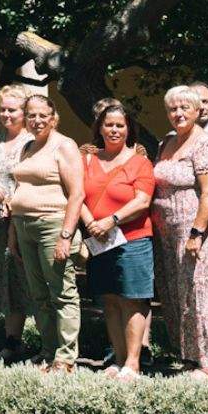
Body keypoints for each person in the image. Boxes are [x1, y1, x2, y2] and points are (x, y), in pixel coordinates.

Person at [150, 84, 208, 379]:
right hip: (166, 232)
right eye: (172, 108)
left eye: (184, 108)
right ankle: (188, 357)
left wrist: (197, 233)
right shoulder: (167, 142)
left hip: (194, 229)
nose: (178, 113)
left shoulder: (206, 144)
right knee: (176, 292)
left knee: (199, 290)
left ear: (197, 110)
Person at [79, 99, 156, 379]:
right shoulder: (87, 159)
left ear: (128, 129)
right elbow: (77, 195)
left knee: (132, 300)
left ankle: (133, 363)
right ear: (99, 128)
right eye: (108, 125)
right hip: (99, 240)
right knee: (109, 300)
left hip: (132, 238)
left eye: (120, 126)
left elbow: (142, 201)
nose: (114, 130)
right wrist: (90, 223)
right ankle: (118, 358)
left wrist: (110, 221)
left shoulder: (140, 162)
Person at [8, 94, 83, 373]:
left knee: (62, 293)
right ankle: (48, 350)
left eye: (43, 115)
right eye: (31, 115)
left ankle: (65, 358)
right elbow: (19, 191)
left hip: (53, 226)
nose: (37, 120)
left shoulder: (64, 146)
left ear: (53, 118)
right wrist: (14, 233)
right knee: (38, 295)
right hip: (24, 226)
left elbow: (77, 194)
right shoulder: (27, 146)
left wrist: (65, 235)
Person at [0, 84, 33, 363]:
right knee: (9, 279)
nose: (5, 114)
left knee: (34, 279)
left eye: (12, 109)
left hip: (28, 217)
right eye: (2, 109)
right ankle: (12, 341)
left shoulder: (35, 141)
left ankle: (51, 346)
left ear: (24, 112)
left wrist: (14, 199)